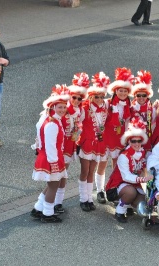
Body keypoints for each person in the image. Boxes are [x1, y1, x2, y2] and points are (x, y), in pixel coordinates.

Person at [30, 85, 70, 223]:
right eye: (60, 107)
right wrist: (54, 164)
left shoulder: (50, 119)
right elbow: (50, 146)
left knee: (52, 185)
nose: (63, 110)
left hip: (51, 157)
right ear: (53, 108)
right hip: (51, 158)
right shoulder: (52, 124)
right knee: (54, 186)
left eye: (64, 107)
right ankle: (47, 214)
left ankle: (38, 208)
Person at [95, 68, 133, 204]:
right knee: (102, 164)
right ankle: (100, 190)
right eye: (120, 90)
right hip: (107, 138)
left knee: (117, 165)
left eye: (125, 91)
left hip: (120, 139)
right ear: (115, 90)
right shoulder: (107, 103)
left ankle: (113, 188)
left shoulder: (130, 105)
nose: (122, 93)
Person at [105, 118, 153, 223]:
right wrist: (142, 179)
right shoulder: (124, 156)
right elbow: (126, 176)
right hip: (118, 185)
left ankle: (128, 205)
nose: (136, 143)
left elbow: (144, 169)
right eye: (133, 141)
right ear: (128, 141)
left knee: (142, 202)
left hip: (134, 184)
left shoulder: (142, 153)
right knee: (130, 192)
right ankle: (120, 211)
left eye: (139, 141)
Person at [53, 77, 87, 214]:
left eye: (80, 99)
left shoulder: (80, 111)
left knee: (63, 174)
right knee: (57, 175)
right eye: (74, 98)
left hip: (70, 146)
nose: (77, 101)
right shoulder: (63, 110)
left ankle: (58, 202)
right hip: (60, 147)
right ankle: (51, 203)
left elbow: (80, 126)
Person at [77, 72, 110, 211]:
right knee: (85, 171)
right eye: (96, 97)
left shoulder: (105, 108)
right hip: (86, 143)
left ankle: (90, 198)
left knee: (92, 171)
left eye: (102, 97)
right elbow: (75, 120)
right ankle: (82, 198)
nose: (99, 99)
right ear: (91, 96)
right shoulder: (85, 108)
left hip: (99, 144)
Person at [130, 70, 154, 155]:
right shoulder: (130, 107)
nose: (141, 98)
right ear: (134, 96)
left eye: (144, 95)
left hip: (148, 137)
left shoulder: (152, 107)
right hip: (135, 140)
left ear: (148, 96)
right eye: (138, 95)